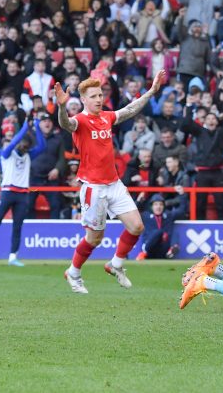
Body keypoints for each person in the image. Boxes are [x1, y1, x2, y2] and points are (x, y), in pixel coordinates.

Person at [56, 70, 165, 294]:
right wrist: (61, 107)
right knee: (95, 239)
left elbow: (130, 109)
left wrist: (152, 91)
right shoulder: (81, 122)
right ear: (84, 100)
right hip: (93, 188)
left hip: (114, 184)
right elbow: (66, 124)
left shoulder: (107, 117)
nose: (99, 99)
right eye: (94, 96)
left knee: (137, 226)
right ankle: (74, 273)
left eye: (100, 95)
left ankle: (115, 264)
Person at [0, 119, 45, 267]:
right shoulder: (6, 154)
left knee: (18, 226)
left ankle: (13, 257)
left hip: (22, 194)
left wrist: (37, 127)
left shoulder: (28, 156)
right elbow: (13, 143)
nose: (24, 146)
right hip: (8, 192)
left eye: (26, 145)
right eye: (22, 143)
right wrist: (25, 128)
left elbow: (43, 146)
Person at [136, 194, 186, 260]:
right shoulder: (146, 216)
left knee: (174, 232)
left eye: (161, 204)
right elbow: (133, 213)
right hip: (150, 249)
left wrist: (182, 195)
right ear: (152, 206)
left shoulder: (168, 215)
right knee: (159, 232)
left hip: (163, 249)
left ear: (163, 206)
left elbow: (182, 211)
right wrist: (138, 201)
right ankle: (144, 251)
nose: (158, 207)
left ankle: (172, 249)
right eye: (156, 204)